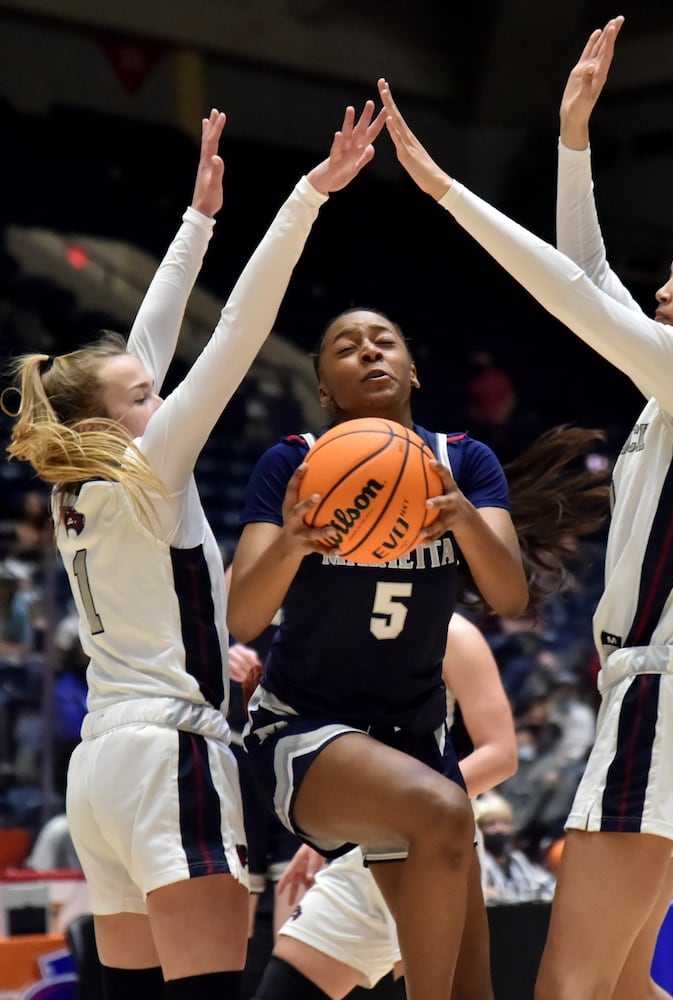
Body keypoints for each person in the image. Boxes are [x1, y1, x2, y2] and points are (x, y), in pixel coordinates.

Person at [375, 10, 673, 996]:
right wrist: (572, 138)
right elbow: (587, 278)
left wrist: (444, 190)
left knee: (567, 989)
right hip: (659, 700)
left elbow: (572, 299)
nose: (658, 292)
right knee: (621, 990)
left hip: (662, 699)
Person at [3, 100, 386, 1000]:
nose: (160, 398)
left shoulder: (74, 484)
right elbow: (240, 329)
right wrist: (307, 196)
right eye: (145, 398)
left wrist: (199, 218)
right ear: (108, 422)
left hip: (100, 770)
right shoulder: (151, 466)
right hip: (169, 755)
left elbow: (143, 346)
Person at [227, 299, 530, 1000]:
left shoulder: (464, 461)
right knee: (447, 808)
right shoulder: (291, 464)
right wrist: (293, 543)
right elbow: (243, 616)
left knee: (471, 986)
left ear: (412, 371)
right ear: (323, 388)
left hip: (413, 739)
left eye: (384, 341)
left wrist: (462, 516)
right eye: (346, 346)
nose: (369, 351)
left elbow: (510, 596)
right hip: (301, 727)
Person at [260, 611, 517, 999]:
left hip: (430, 846)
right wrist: (333, 829)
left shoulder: (453, 631)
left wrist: (413, 804)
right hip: (359, 844)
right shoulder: (346, 621)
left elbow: (500, 755)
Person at [474, 790, 556, 905]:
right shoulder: (476, 863)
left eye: (505, 823)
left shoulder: (518, 859)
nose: (499, 829)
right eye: (491, 824)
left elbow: (547, 886)